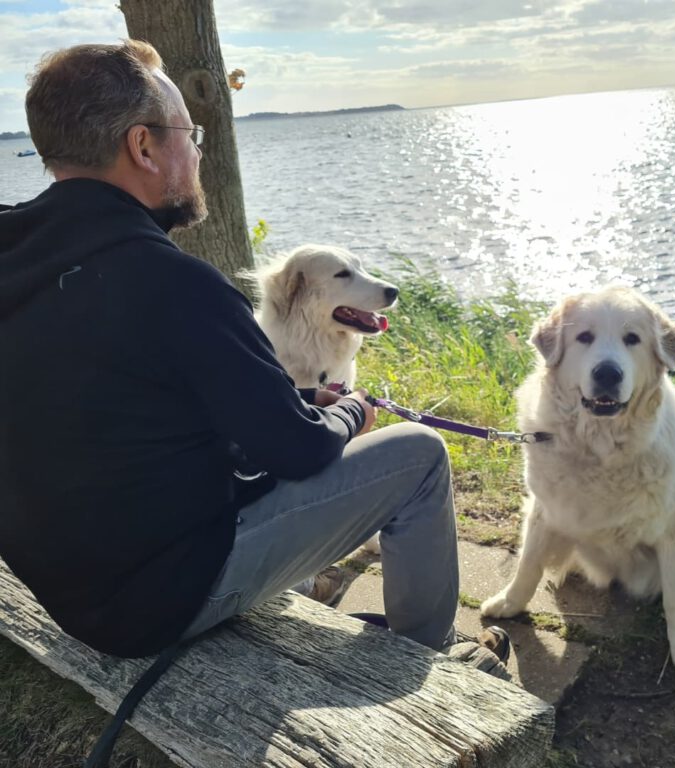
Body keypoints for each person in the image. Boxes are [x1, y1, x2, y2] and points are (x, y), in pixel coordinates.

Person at [0, 41, 508, 677]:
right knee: (422, 456)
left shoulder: (18, 255)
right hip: (152, 602)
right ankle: (434, 663)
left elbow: (120, 404)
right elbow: (296, 451)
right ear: (144, 147)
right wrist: (349, 411)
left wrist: (292, 402)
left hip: (64, 585)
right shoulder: (173, 283)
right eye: (193, 133)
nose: (199, 151)